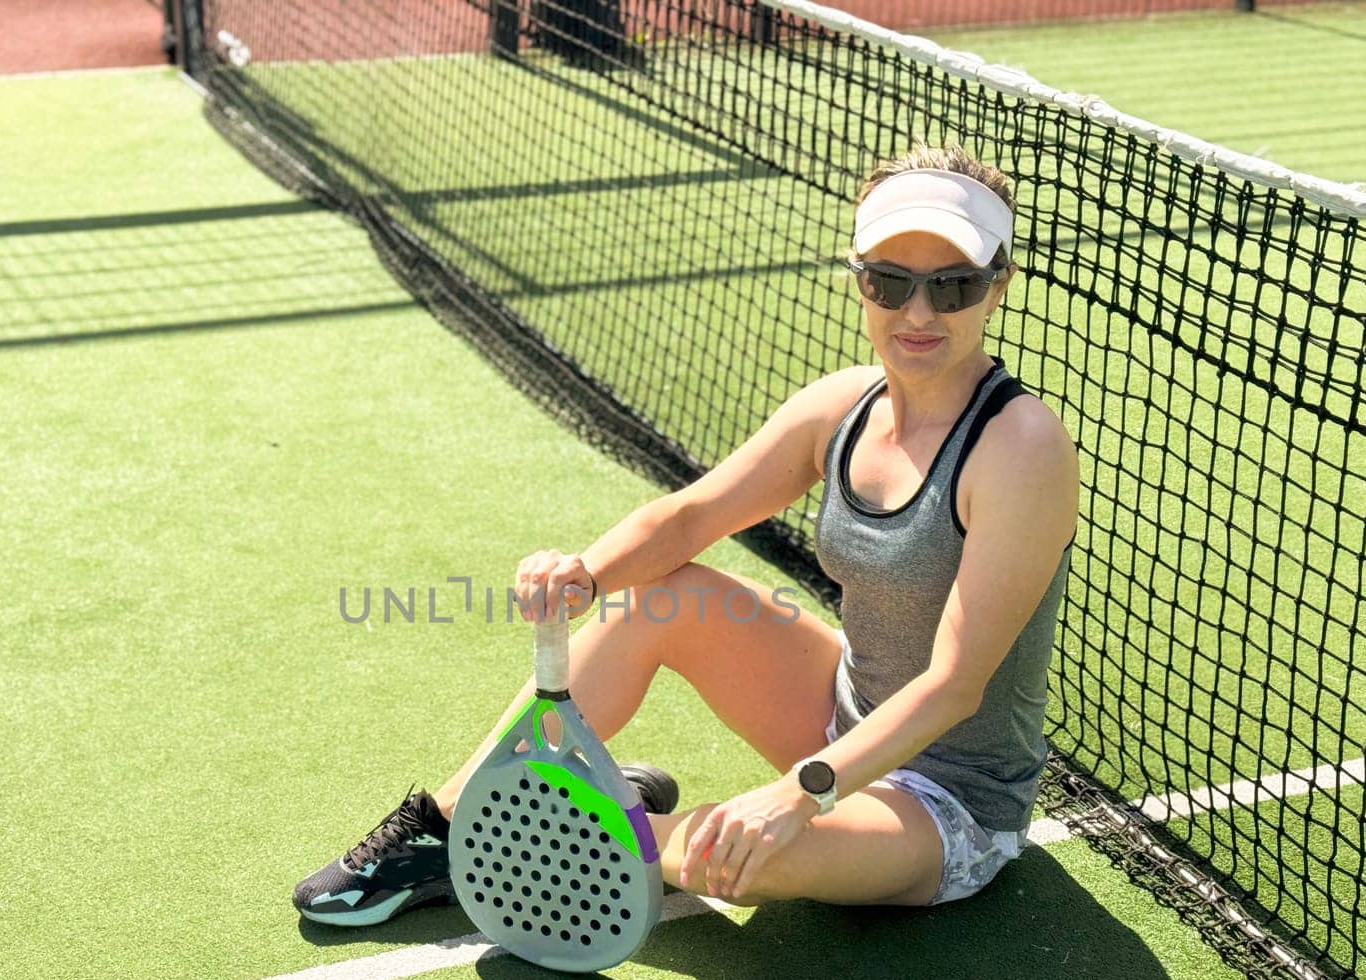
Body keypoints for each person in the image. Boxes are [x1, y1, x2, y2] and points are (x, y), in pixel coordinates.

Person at [293, 141, 1078, 927]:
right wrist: (585, 574)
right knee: (657, 596)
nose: (917, 312)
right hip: (844, 712)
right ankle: (455, 821)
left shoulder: (1021, 452)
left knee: (741, 859)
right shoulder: (843, 406)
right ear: (859, 278)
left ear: (998, 284)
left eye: (953, 286)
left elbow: (955, 684)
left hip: (945, 799)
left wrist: (798, 791)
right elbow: (690, 517)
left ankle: (562, 826)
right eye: (891, 281)